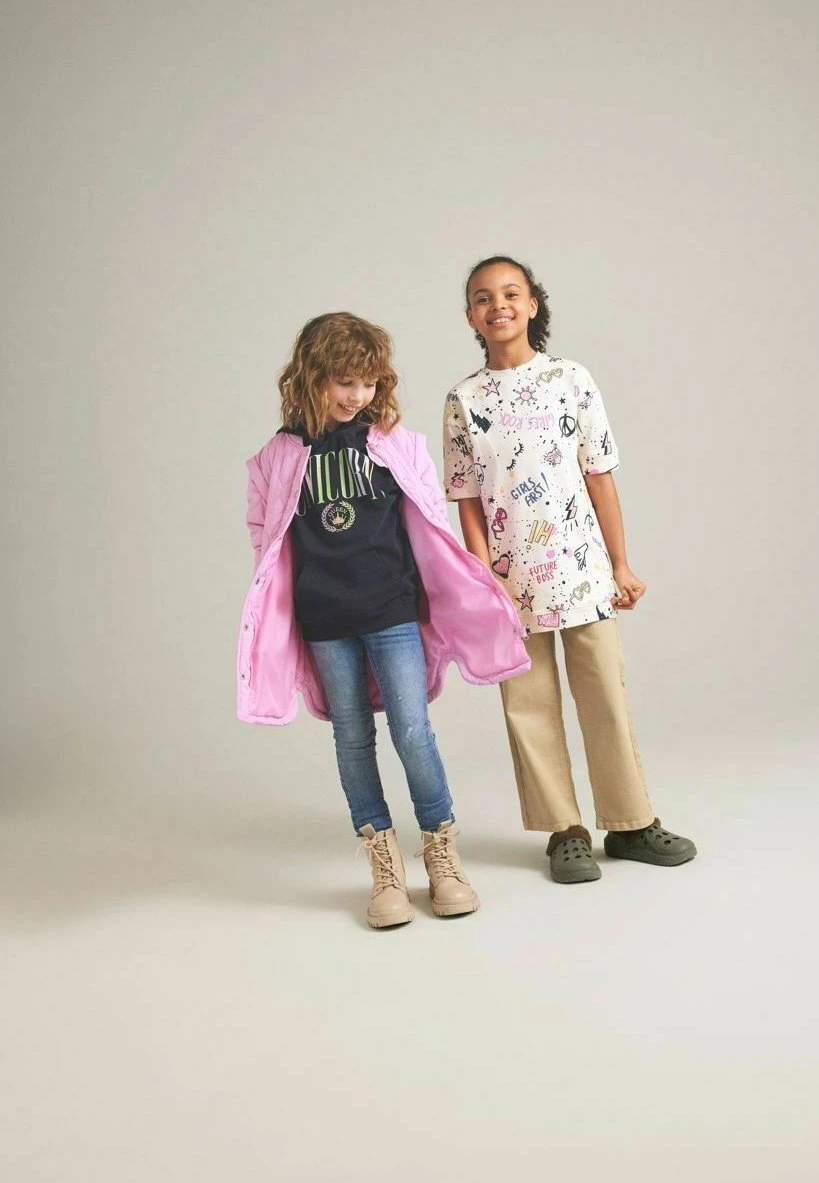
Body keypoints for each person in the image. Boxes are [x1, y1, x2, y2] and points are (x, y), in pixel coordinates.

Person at [238, 312, 530, 926]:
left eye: (368, 382)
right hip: (324, 618)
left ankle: (443, 856)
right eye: (344, 381)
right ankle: (384, 868)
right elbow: (265, 541)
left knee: (412, 730)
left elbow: (432, 528)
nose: (357, 395)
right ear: (311, 377)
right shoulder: (275, 459)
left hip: (391, 609)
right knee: (351, 737)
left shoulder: (398, 443)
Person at [443, 256, 696, 883]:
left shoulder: (570, 379)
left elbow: (599, 475)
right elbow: (466, 498)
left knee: (604, 693)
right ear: (470, 315)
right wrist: (482, 578)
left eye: (511, 293)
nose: (498, 305)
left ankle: (631, 822)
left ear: (533, 305)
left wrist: (621, 563)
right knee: (527, 705)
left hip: (581, 570)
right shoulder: (463, 400)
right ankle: (565, 831)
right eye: (483, 297)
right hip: (510, 583)